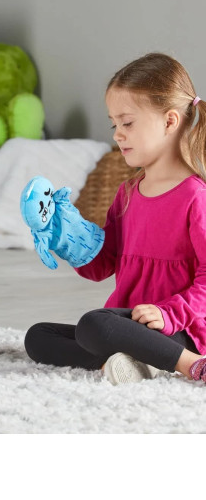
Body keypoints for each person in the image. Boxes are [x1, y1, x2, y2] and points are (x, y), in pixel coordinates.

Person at [25, 52, 206, 385]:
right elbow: (102, 265)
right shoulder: (128, 193)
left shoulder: (196, 197)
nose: (117, 135)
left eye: (127, 123)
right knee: (38, 336)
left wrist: (168, 314)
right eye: (114, 125)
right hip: (128, 326)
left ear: (169, 122)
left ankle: (191, 364)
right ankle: (134, 362)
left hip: (181, 328)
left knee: (94, 325)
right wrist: (67, 237)